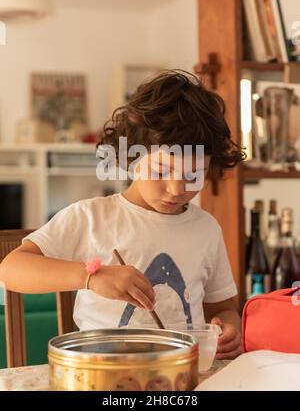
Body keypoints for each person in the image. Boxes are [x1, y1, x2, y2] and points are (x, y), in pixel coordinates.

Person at [0, 70, 245, 359]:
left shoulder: (205, 228)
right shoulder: (92, 217)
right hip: (102, 373)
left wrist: (229, 328)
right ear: (132, 157)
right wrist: (91, 277)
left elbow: (222, 308)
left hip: (181, 374)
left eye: (194, 175)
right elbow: (11, 269)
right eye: (161, 171)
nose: (176, 188)